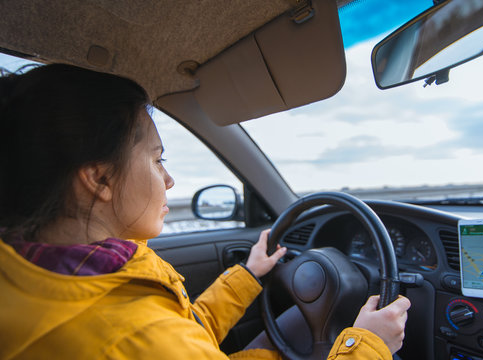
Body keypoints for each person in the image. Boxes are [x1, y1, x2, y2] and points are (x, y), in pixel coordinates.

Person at [0, 64, 411, 360]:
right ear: (99, 179)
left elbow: (186, 330)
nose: (169, 180)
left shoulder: (43, 278)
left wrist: (249, 275)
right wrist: (367, 345)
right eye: (157, 159)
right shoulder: (134, 336)